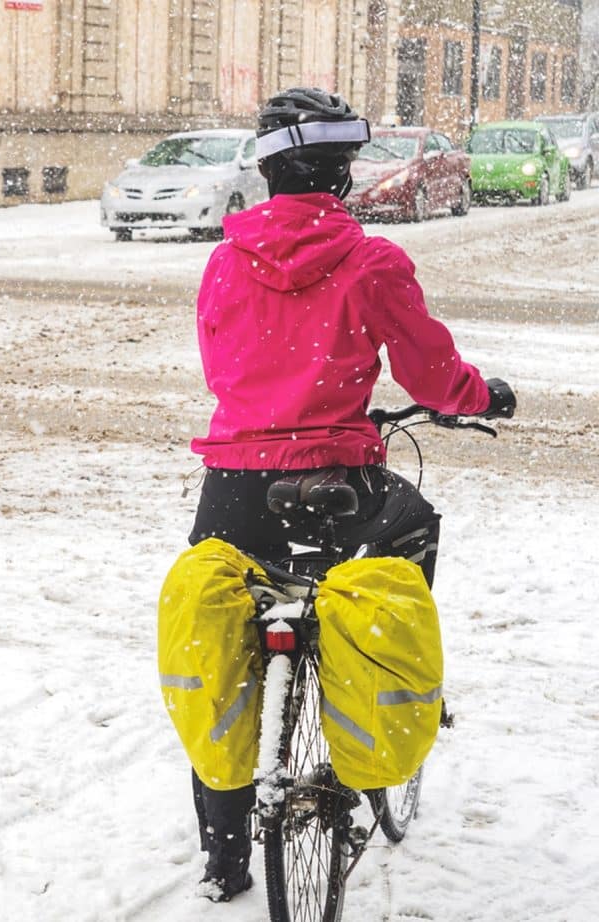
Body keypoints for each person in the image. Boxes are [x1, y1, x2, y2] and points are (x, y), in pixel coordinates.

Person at [183, 87, 515, 902]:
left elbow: (224, 367)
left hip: (232, 486)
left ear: (266, 173)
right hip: (338, 482)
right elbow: (433, 376)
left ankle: (223, 856)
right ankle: (371, 710)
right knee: (413, 529)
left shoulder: (225, 261)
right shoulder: (371, 261)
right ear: (343, 173)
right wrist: (478, 395)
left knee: (220, 646)